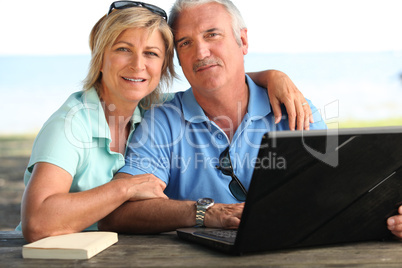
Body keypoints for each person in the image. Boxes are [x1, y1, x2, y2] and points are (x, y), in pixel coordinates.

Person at [17, 1, 312, 242]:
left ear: (163, 65)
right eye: (123, 49)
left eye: (151, 54)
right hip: (47, 255)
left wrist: (273, 76)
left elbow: (216, 80)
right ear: (100, 54)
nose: (137, 65)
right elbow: (38, 224)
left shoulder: (146, 105)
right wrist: (126, 188)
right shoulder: (71, 124)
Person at [98, 0, 327, 234]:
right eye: (185, 43)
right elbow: (118, 214)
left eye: (212, 35)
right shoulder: (162, 121)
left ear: (243, 40)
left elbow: (333, 192)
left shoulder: (295, 110)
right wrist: (204, 213)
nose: (201, 53)